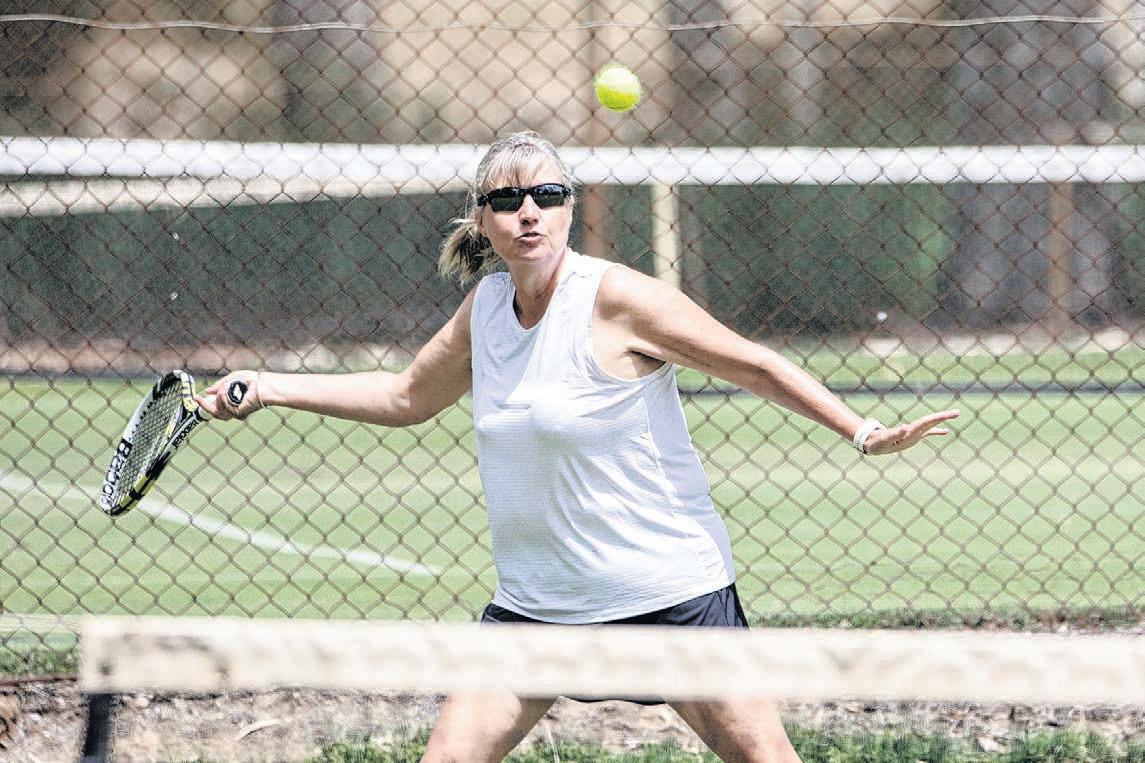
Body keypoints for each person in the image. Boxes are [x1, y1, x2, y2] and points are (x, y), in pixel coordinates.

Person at [199, 130, 959, 762]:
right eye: (508, 200)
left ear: (568, 207)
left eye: (547, 195)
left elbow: (753, 364)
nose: (528, 211)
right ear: (483, 219)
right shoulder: (484, 309)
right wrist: (267, 386)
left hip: (668, 597)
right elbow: (407, 397)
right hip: (536, 610)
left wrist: (862, 431)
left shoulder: (617, 298)